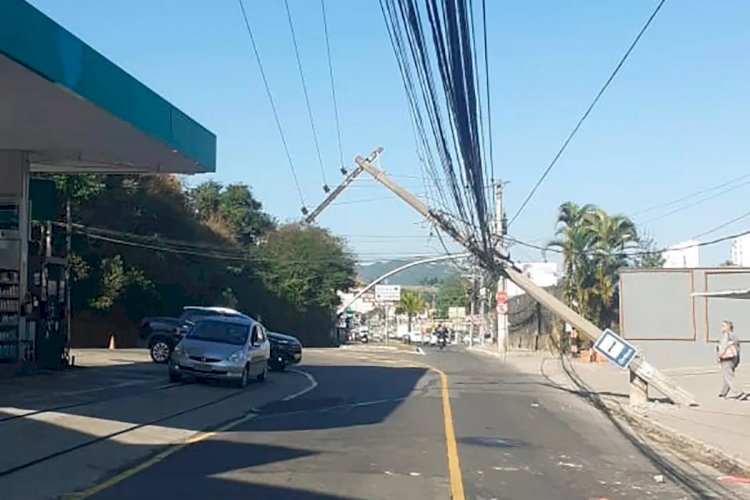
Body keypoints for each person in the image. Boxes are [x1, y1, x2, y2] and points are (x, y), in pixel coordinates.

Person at [716, 320, 746, 400]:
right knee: (727, 374)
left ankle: (739, 392)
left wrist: (719, 356)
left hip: (726, 358)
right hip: (733, 358)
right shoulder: (734, 336)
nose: (721, 327)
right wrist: (737, 360)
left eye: (723, 326)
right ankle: (723, 392)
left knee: (729, 375)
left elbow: (723, 347)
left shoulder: (726, 335)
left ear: (728, 327)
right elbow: (738, 348)